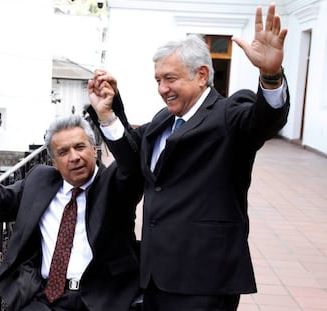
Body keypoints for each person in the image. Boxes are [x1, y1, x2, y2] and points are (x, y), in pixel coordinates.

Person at [88, 3, 289, 311]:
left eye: (170, 78)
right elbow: (132, 160)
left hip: (203, 279)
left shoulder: (229, 114)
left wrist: (271, 75)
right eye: (158, 80)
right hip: (156, 274)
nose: (162, 88)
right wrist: (107, 115)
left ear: (201, 75)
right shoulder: (162, 121)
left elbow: (265, 120)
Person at [0, 114, 143, 311]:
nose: (74, 157)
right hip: (45, 298)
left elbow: (131, 168)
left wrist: (107, 118)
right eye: (63, 152)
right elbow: (2, 196)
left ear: (94, 150)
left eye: (80, 147)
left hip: (100, 299)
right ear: (54, 163)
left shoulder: (114, 185)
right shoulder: (41, 180)